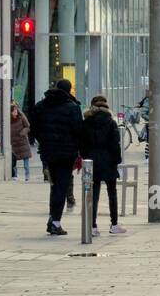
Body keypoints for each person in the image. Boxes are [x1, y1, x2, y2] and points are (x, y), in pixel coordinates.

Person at [30, 79, 83, 236]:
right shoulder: (73, 107)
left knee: (55, 186)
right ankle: (55, 222)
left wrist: (45, 141)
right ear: (69, 90)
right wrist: (78, 149)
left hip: (48, 152)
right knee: (61, 185)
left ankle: (53, 218)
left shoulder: (41, 106)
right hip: (66, 153)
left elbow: (34, 129)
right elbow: (78, 131)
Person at [81, 96, 127, 236]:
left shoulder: (86, 122)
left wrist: (85, 156)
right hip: (108, 160)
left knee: (92, 194)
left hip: (91, 161)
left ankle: (92, 226)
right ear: (106, 106)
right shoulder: (110, 122)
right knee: (112, 193)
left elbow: (82, 143)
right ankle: (114, 224)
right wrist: (117, 160)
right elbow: (115, 144)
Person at [9, 102, 33, 181]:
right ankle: (15, 175)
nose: (15, 113)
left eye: (16, 111)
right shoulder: (8, 120)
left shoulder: (21, 117)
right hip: (14, 143)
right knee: (14, 161)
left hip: (23, 142)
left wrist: (23, 132)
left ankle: (27, 175)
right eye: (13, 111)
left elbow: (28, 126)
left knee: (26, 160)